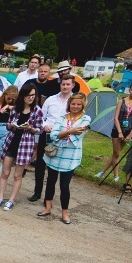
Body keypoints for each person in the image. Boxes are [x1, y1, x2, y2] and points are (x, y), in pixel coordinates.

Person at [39, 93, 91, 225]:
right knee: (50, 181)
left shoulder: (86, 119)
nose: (75, 106)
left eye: (78, 104)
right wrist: (70, 131)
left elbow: (78, 136)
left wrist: (64, 133)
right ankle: (48, 207)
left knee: (64, 185)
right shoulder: (62, 117)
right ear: (69, 104)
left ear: (82, 105)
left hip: (71, 157)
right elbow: (53, 136)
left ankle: (64, 212)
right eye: (73, 103)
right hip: (55, 154)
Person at [0, 83, 43, 211]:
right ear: (23, 96)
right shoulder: (16, 108)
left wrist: (30, 128)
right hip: (12, 141)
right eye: (28, 95)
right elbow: (8, 125)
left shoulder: (37, 111)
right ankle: (0, 198)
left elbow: (39, 130)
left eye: (33, 95)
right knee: (5, 173)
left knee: (17, 175)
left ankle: (11, 200)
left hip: (25, 145)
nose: (31, 98)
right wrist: (12, 125)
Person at [21, 63, 60, 200]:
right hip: (45, 132)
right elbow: (42, 115)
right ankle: (37, 192)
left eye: (46, 71)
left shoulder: (72, 100)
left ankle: (49, 197)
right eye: (41, 71)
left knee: (54, 165)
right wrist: (44, 125)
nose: (42, 73)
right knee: (40, 163)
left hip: (61, 135)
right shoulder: (51, 99)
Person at [97, 83, 132, 182]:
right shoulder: (121, 101)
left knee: (115, 154)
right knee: (117, 153)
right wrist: (119, 132)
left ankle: (102, 172)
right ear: (129, 90)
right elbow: (116, 117)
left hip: (129, 130)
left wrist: (131, 133)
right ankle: (116, 175)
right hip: (117, 130)